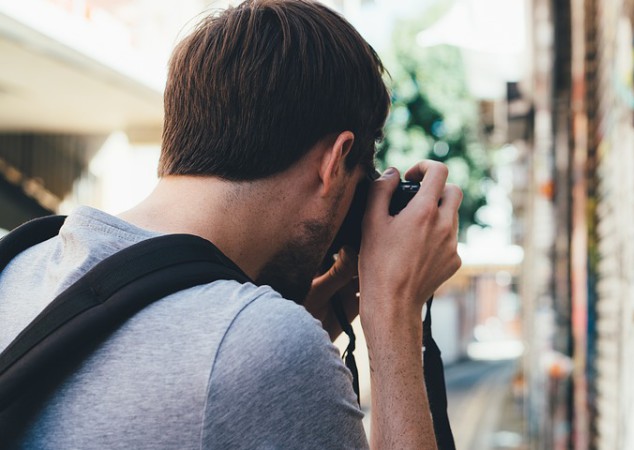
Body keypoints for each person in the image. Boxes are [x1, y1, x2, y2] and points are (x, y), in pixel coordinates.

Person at [0, 0, 461, 448]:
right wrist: (394, 311)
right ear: (335, 160)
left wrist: (317, 309)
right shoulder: (263, 343)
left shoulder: (18, 266)